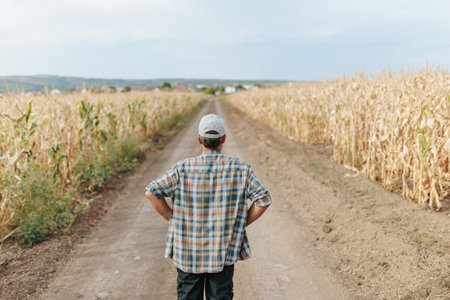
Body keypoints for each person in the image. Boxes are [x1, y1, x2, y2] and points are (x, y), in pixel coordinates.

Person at [145, 114, 271, 300]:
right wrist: (240, 223)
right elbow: (263, 199)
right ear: (224, 139)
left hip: (187, 254)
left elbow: (151, 192)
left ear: (199, 140)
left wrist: (171, 218)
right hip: (223, 253)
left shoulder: (182, 168)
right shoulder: (240, 168)